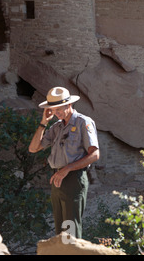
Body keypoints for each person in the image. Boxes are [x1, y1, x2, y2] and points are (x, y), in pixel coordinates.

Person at [29, 86, 100, 239]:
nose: (56, 113)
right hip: (57, 178)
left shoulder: (83, 122)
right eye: (52, 109)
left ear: (69, 105)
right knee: (60, 232)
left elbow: (95, 154)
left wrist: (67, 169)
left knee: (71, 231)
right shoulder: (56, 127)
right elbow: (33, 148)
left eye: (58, 109)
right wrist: (43, 122)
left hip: (73, 178)